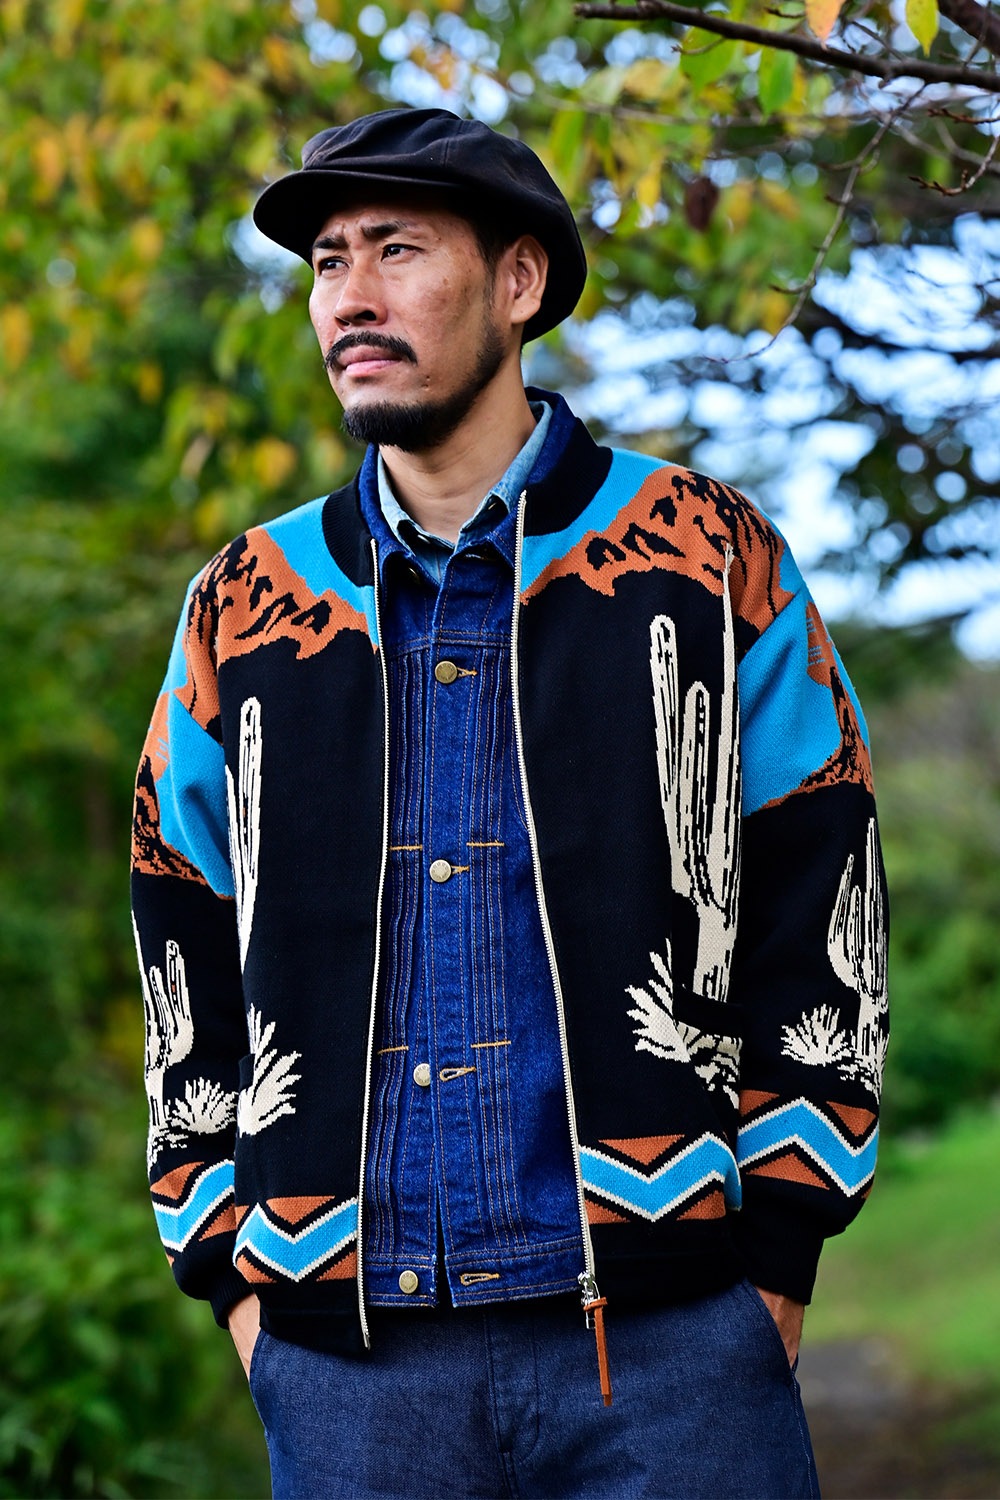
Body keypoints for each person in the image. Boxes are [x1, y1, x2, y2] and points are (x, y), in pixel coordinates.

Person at [131, 107, 888, 1500]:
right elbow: (177, 926)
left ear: (520, 281)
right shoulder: (241, 606)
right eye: (328, 263)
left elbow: (826, 891)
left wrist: (777, 1257)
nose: (350, 297)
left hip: (673, 1355)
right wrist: (231, 1276)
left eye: (397, 250)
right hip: (350, 1378)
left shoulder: (709, 555)